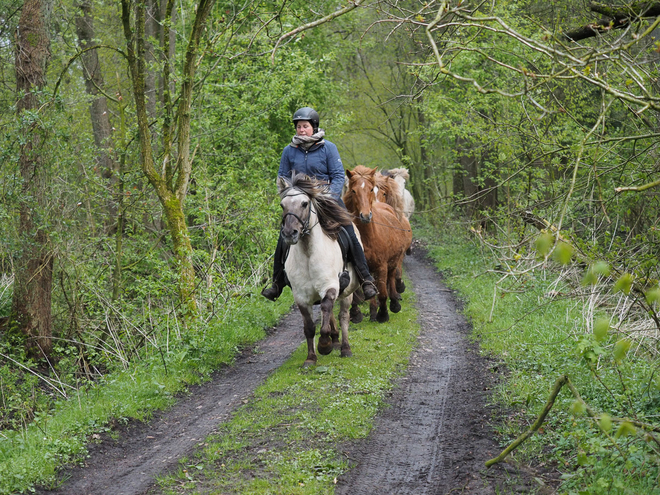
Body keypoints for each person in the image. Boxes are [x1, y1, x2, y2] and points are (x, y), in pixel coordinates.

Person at [261, 107, 378, 301]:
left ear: (314, 127)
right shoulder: (289, 151)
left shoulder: (328, 148)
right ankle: (276, 283)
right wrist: (289, 195)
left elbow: (339, 176)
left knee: (349, 233)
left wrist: (330, 196)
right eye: (298, 127)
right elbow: (282, 176)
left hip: (327, 199)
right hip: (299, 202)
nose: (301, 130)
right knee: (284, 236)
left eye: (305, 126)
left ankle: (365, 280)